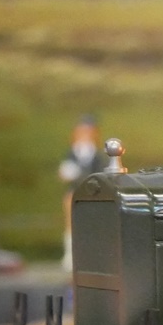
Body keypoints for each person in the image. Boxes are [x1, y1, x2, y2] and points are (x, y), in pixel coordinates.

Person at [57, 115, 105, 271]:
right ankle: (70, 255)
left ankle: (93, 255)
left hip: (93, 195)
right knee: (71, 224)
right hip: (75, 193)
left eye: (88, 132)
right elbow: (65, 172)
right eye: (81, 132)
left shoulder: (97, 155)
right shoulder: (72, 154)